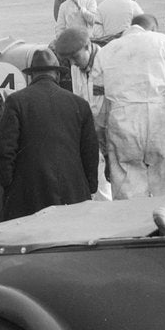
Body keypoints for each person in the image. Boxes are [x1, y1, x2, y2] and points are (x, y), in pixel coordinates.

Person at [0, 49, 98, 221]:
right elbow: (90, 152)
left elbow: (4, 152)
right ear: (57, 74)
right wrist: (90, 187)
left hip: (29, 193)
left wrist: (10, 187)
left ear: (32, 75)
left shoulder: (16, 102)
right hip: (73, 192)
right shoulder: (80, 104)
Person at [97, 14, 165, 199]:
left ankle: (135, 225)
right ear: (152, 28)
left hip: (122, 120)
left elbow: (98, 101)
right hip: (160, 117)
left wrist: (104, 143)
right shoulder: (163, 41)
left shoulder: (106, 50)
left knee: (127, 187)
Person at [54, 27, 111, 202]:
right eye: (69, 60)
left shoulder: (108, 61)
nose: (73, 63)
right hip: (92, 138)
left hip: (113, 136)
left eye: (75, 57)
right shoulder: (76, 68)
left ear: (88, 46)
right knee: (98, 191)